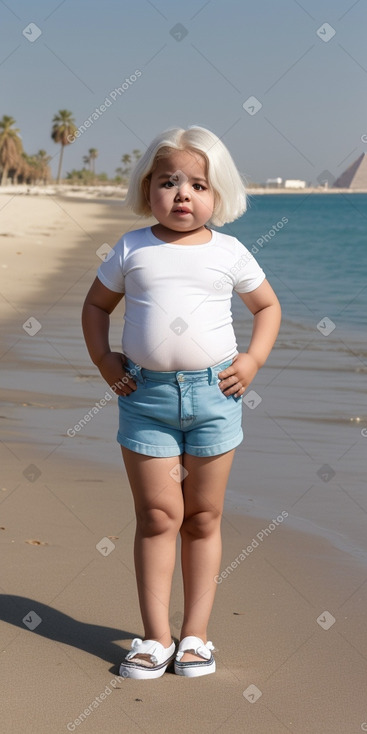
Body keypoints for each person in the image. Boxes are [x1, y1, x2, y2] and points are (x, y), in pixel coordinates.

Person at [82, 125, 281, 679]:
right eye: (168, 182)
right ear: (148, 188)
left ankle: (196, 636)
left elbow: (267, 308)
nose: (182, 194)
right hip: (144, 397)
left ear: (220, 194)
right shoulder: (131, 247)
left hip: (217, 395)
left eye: (198, 184)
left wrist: (253, 361)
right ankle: (154, 638)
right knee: (157, 515)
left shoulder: (230, 251)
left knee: (203, 517)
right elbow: (96, 307)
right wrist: (105, 361)